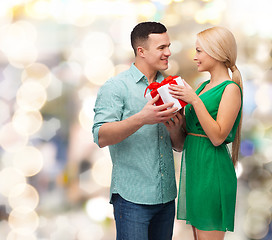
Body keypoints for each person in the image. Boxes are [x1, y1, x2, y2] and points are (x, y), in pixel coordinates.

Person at [92, 22, 183, 240]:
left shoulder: (173, 86)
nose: (168, 52)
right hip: (132, 200)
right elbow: (101, 135)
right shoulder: (115, 87)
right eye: (161, 47)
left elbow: (179, 145)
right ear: (141, 51)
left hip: (167, 197)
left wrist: (176, 130)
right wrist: (142, 118)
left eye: (168, 46)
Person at [168, 26, 243, 240]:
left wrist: (193, 100)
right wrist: (176, 125)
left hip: (213, 172)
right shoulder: (201, 87)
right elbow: (187, 139)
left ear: (216, 52)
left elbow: (218, 137)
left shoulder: (230, 89)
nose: (195, 57)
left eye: (199, 51)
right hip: (195, 171)